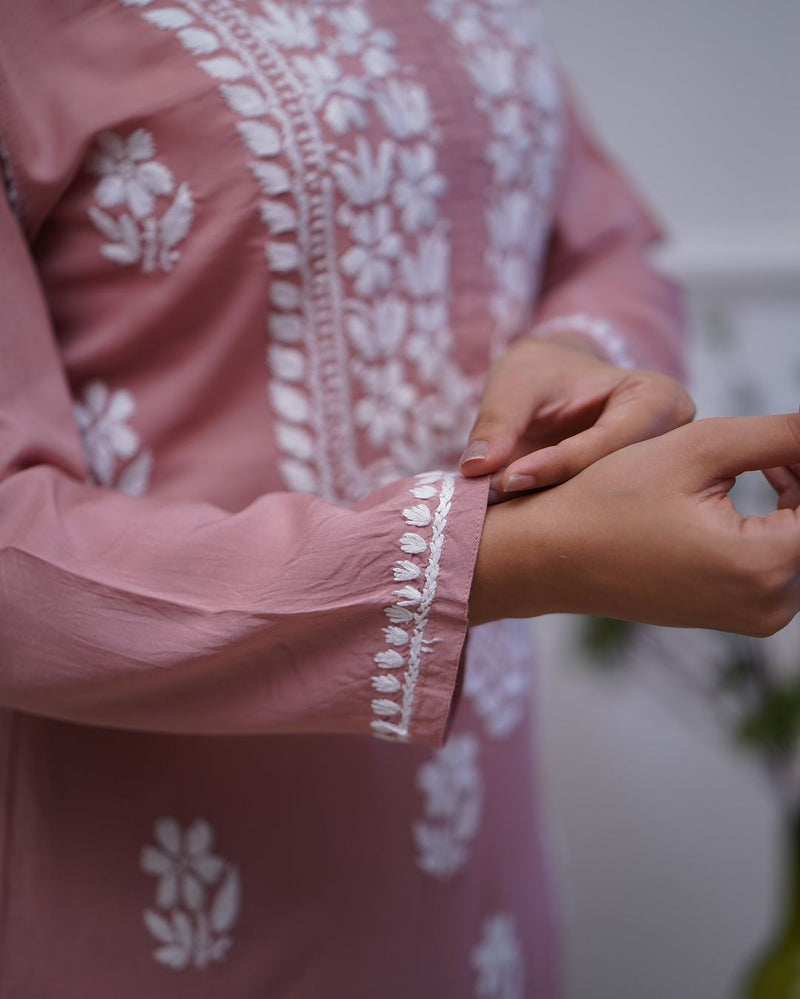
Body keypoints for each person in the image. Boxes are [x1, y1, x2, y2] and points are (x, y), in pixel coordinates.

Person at [2, 1, 800, 996]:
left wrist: (578, 357)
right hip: (163, 872)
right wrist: (501, 559)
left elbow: (606, 246)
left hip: (475, 833)